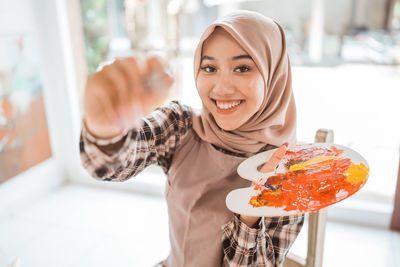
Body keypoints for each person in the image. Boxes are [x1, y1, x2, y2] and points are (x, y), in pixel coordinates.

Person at [80, 10, 304, 267]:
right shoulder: (182, 126)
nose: (221, 88)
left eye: (242, 68)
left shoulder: (290, 173)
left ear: (275, 75)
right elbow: (109, 165)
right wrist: (104, 127)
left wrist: (252, 213)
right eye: (209, 68)